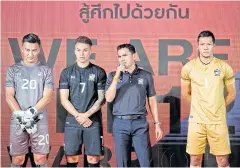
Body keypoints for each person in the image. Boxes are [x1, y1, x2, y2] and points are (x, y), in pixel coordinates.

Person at [181, 30, 236, 167]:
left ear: (214, 46)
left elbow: (232, 94)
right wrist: (199, 108)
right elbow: (185, 94)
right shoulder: (189, 67)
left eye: (209, 44)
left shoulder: (224, 67)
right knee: (195, 160)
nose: (206, 47)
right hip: (196, 121)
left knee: (223, 161)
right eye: (202, 44)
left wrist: (218, 106)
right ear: (198, 46)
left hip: (217, 121)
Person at [105, 43, 163, 167]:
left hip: (139, 123)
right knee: (122, 163)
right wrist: (117, 76)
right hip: (120, 124)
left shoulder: (146, 76)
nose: (122, 59)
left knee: (146, 163)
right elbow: (109, 98)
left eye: (125, 55)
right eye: (119, 56)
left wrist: (157, 123)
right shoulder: (112, 76)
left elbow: (152, 100)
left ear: (134, 56)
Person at [6, 33, 54, 167]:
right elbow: (9, 96)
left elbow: (48, 96)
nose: (30, 54)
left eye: (34, 50)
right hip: (18, 120)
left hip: (39, 119)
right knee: (17, 160)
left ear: (39, 50)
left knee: (40, 159)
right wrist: (21, 116)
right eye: (27, 50)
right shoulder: (13, 70)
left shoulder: (46, 70)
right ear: (22, 48)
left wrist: (31, 113)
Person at [59, 36, 107, 167]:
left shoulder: (99, 72)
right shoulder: (66, 72)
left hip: (93, 120)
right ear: (74, 51)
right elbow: (64, 99)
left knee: (93, 158)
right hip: (73, 120)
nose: (81, 53)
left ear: (90, 51)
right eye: (78, 50)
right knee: (72, 158)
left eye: (85, 50)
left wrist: (86, 115)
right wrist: (78, 116)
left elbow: (102, 99)